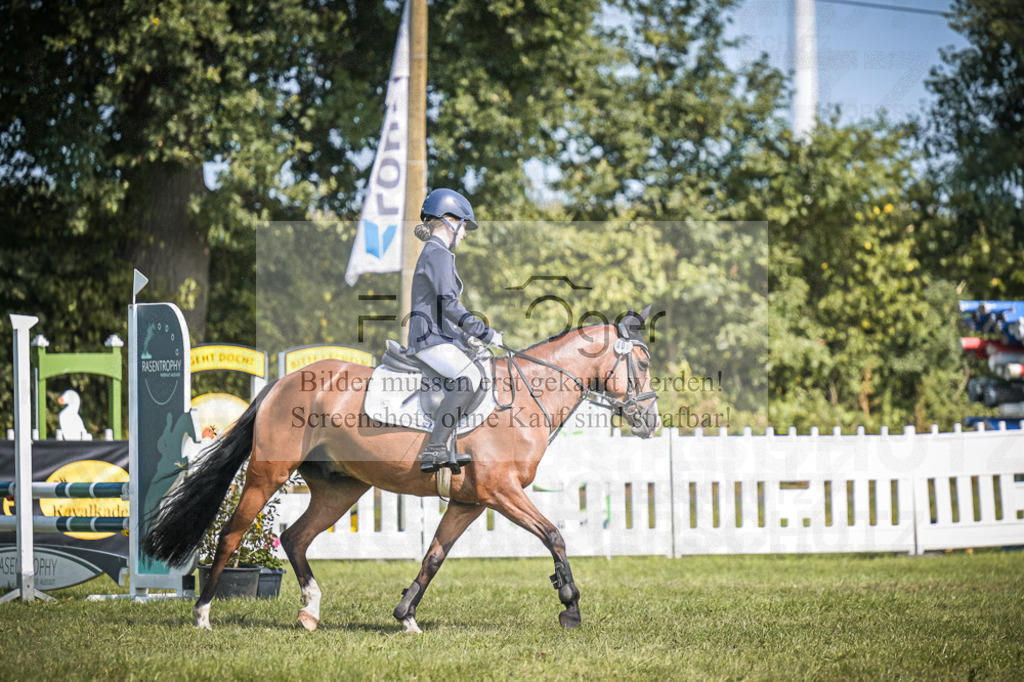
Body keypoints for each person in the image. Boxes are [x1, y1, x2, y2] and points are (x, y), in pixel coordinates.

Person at [407, 188, 503, 474]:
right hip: (429, 338)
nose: (465, 234)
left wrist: (466, 337)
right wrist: (485, 333)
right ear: (450, 220)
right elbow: (450, 305)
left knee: (477, 372)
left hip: (439, 335)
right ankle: (435, 449)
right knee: (470, 377)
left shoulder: (437, 254)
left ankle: (448, 444)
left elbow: (444, 308)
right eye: (464, 227)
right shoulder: (438, 254)